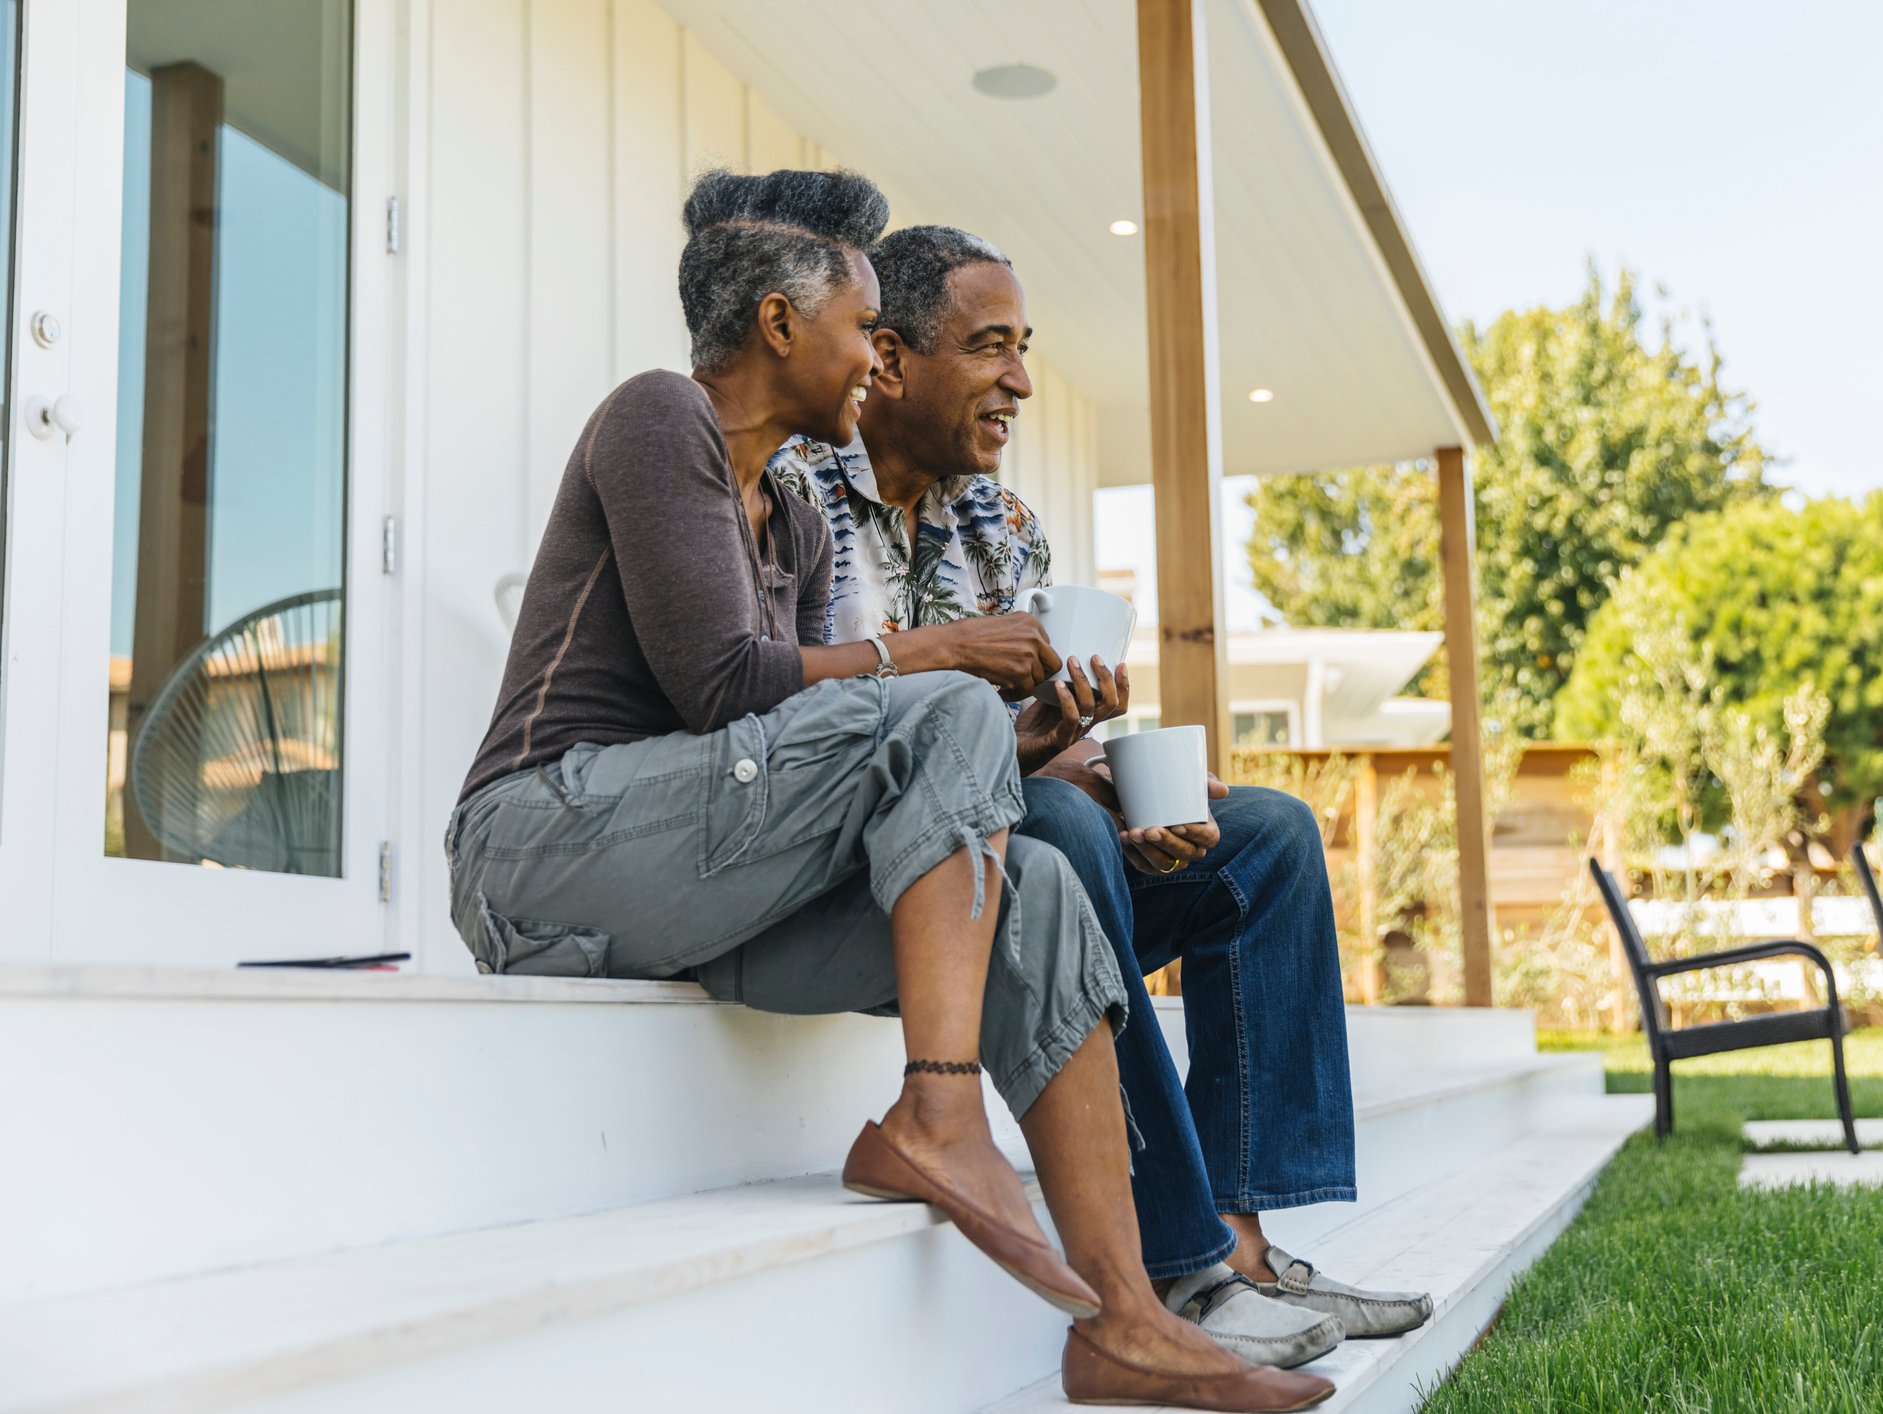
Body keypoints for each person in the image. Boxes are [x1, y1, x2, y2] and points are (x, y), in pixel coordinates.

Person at [447, 169, 1331, 1412]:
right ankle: (937, 1110)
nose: (877, 358)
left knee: (1031, 893)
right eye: (866, 328)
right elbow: (723, 685)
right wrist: (956, 654)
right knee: (952, 701)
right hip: (540, 847)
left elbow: (838, 740)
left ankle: (1127, 1318)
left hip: (703, 885)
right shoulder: (660, 419)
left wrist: (1020, 736)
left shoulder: (796, 530)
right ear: (776, 325)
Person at [769, 224, 1434, 1371]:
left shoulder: (1004, 523)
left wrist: (1112, 771)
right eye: (990, 348)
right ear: (889, 357)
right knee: (1067, 827)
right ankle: (1174, 1260)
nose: (1020, 381)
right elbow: (805, 734)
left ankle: (1242, 1240)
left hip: (1024, 838)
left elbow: (1033, 749)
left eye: (1024, 349)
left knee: (1265, 836)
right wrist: (1055, 776)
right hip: (890, 880)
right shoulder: (794, 495)